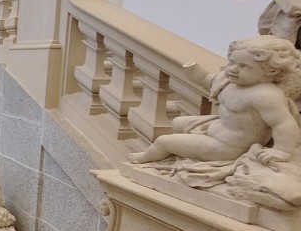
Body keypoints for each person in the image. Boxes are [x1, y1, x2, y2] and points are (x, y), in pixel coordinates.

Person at [128, 36, 301, 169]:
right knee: (178, 122)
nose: (233, 69)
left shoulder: (265, 95)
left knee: (164, 141)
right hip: (217, 128)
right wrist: (193, 70)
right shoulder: (231, 82)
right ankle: (180, 153)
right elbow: (207, 80)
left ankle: (146, 157)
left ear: (271, 71)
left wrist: (281, 151)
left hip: (228, 147)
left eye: (244, 66)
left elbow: (284, 124)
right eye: (232, 62)